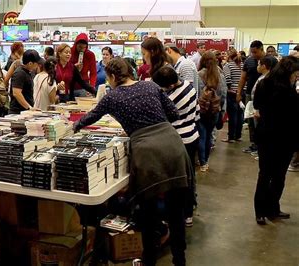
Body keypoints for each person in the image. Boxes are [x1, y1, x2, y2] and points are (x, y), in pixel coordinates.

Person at [74, 58, 191, 266]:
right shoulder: (151, 85)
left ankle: (149, 261)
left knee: (149, 214)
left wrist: (74, 127)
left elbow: (91, 117)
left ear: (111, 77)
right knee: (176, 211)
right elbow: (173, 113)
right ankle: (180, 260)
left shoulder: (113, 96)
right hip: (174, 146)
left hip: (147, 153)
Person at [253, 56, 299, 225]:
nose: (296, 77)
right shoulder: (289, 92)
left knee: (267, 174)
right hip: (282, 138)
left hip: (268, 136)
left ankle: (265, 210)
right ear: (289, 72)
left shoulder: (264, 84)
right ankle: (270, 209)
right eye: (295, 74)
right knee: (276, 175)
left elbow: (257, 104)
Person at [152, 66, 200, 227]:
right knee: (189, 177)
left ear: (170, 86)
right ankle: (188, 212)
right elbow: (197, 112)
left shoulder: (172, 97)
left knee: (177, 181)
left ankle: (181, 214)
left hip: (179, 141)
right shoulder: (189, 86)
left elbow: (161, 119)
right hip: (192, 135)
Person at [197, 52, 227, 172]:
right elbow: (223, 95)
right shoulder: (220, 76)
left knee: (201, 136)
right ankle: (206, 161)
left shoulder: (198, 75)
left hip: (201, 110)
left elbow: (196, 93)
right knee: (209, 136)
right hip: (214, 111)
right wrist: (222, 111)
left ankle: (202, 161)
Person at [236, 40, 265, 154]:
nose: (253, 54)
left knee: (261, 120)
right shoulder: (249, 61)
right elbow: (243, 78)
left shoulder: (269, 61)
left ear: (261, 49)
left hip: (264, 96)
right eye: (252, 52)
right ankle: (254, 144)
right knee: (251, 120)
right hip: (250, 94)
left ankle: (262, 144)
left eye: (255, 52)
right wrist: (238, 93)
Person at [9, 50, 44, 114]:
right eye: (37, 64)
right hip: (18, 112)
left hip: (25, 110)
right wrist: (29, 107)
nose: (38, 66)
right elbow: (16, 93)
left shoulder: (28, 72)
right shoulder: (20, 73)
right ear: (30, 63)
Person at [222, 49, 244, 142]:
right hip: (242, 91)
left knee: (232, 115)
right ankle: (238, 135)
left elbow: (228, 79)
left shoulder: (228, 65)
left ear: (229, 56)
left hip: (232, 92)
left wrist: (229, 89)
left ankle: (231, 137)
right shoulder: (242, 65)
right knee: (240, 114)